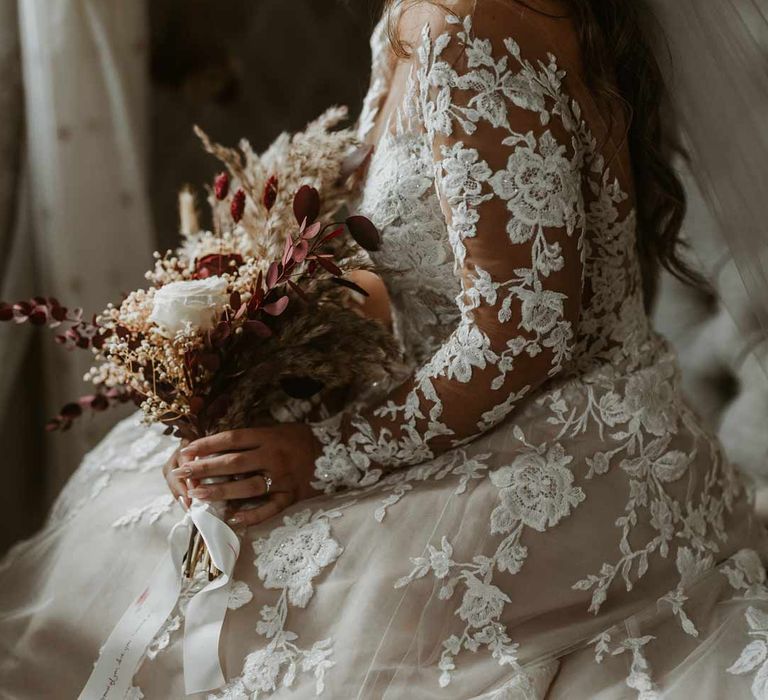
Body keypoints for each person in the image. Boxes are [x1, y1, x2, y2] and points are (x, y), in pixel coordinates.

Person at [2, 1, 768, 697]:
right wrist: (256, 352)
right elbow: (420, 270)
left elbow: (522, 333)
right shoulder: (422, 10)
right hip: (474, 391)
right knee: (154, 499)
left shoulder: (472, 26)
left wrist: (319, 455)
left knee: (244, 574)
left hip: (552, 441)